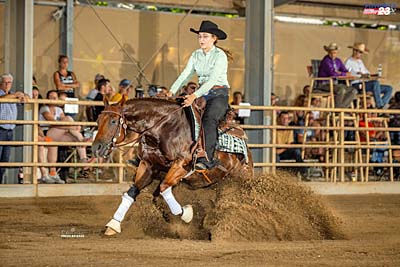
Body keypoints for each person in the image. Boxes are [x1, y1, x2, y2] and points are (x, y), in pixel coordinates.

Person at [169, 20, 231, 170]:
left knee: (209, 119)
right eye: (200, 37)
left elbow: (212, 80)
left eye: (205, 36)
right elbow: (185, 74)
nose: (201, 40)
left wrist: (194, 96)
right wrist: (171, 90)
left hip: (218, 94)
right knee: (179, 115)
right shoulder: (196, 55)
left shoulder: (220, 56)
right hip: (202, 93)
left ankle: (207, 158)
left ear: (214, 38)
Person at [40, 90, 90, 183]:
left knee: (75, 138)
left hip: (59, 132)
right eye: (52, 97)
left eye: (55, 97)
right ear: (47, 99)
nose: (54, 99)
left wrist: (69, 126)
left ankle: (83, 159)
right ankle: (82, 139)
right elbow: (52, 122)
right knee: (69, 120)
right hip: (47, 132)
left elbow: (64, 122)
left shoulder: (59, 110)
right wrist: (72, 126)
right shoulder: (44, 108)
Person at [344, 42, 393, 109]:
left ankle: (382, 105)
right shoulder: (349, 62)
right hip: (357, 85)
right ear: (354, 51)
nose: (360, 54)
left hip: (365, 84)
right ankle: (379, 105)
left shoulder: (360, 62)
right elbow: (346, 74)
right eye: (359, 52)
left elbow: (367, 73)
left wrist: (374, 75)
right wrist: (359, 75)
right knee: (375, 83)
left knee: (389, 88)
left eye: (361, 52)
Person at [0, 73, 28, 183]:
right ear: (1, 83)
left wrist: (23, 95)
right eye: (5, 82)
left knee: (4, 160)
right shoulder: (7, 95)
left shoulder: (13, 95)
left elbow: (27, 98)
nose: (7, 84)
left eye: (9, 82)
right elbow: (2, 98)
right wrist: (17, 95)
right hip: (1, 129)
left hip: (9, 130)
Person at [317, 43, 358, 108]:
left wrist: (340, 73)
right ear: (328, 52)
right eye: (331, 53)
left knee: (353, 91)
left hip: (335, 84)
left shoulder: (338, 60)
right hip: (324, 84)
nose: (333, 55)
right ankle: (339, 109)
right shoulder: (326, 61)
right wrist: (342, 74)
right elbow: (332, 73)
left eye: (335, 53)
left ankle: (341, 108)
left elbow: (346, 71)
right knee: (341, 90)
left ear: (337, 53)